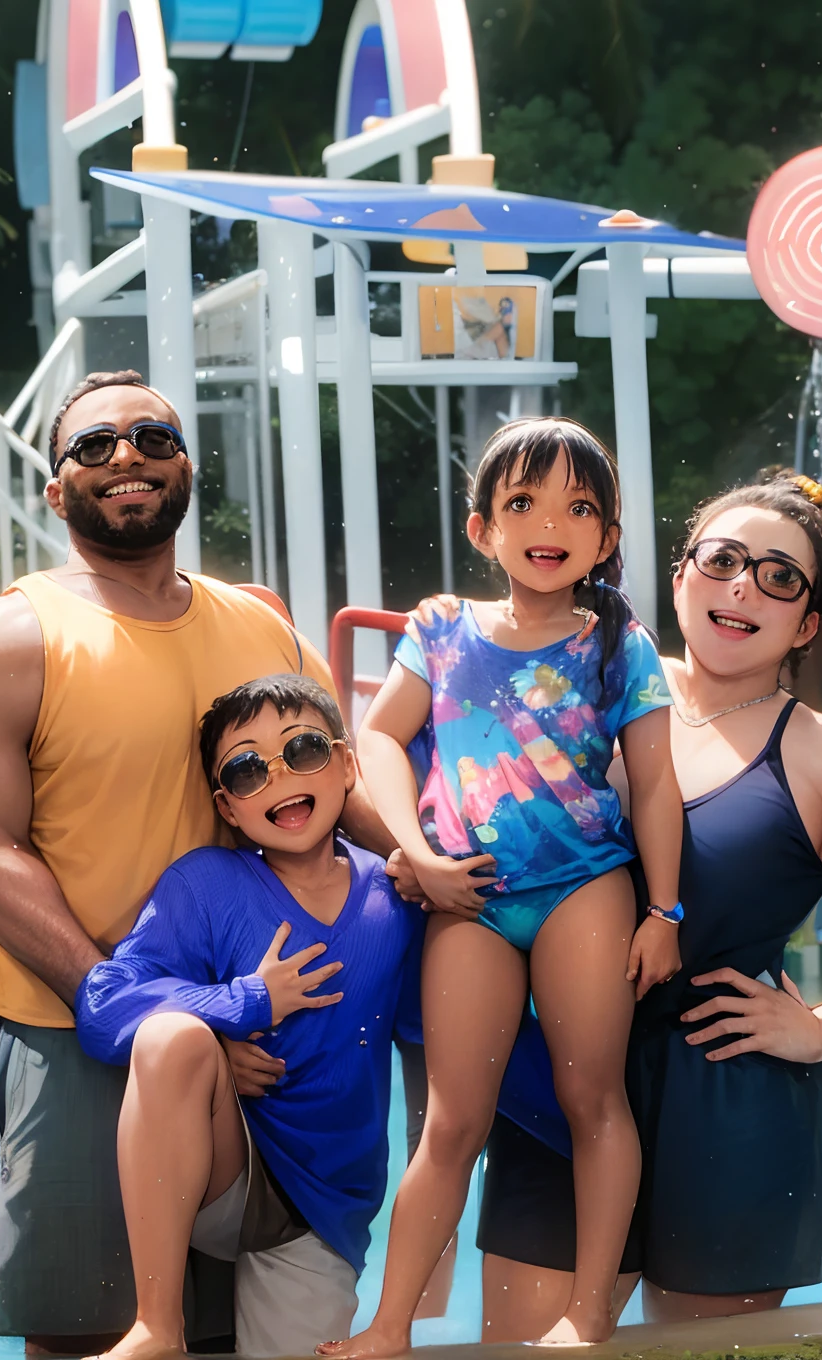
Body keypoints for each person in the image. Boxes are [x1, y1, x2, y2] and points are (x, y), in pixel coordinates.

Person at [474, 469, 822, 1339]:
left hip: (727, 1098)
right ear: (679, 576)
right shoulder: (586, 698)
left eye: (779, 576)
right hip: (565, 1082)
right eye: (722, 560)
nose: (743, 586)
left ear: (809, 621)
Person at [0, 370, 388, 1352]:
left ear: (186, 464)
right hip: (74, 1024)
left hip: (278, 1027)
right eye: (92, 446)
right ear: (56, 490)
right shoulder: (9, 639)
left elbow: (332, 775)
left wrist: (424, 865)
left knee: (241, 1332)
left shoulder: (260, 627)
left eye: (150, 436)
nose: (125, 456)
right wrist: (137, 1010)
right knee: (91, 1332)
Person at [325, 417, 686, 1356]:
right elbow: (373, 742)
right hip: (470, 899)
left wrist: (664, 912)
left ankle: (590, 1309)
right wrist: (416, 856)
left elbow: (655, 786)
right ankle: (389, 1325)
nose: (548, 523)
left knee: (592, 1101)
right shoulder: (441, 628)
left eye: (578, 508)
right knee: (451, 1122)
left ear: (606, 540)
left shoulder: (619, 647)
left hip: (584, 891)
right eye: (522, 502)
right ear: (484, 527)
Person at [74, 674, 422, 1360]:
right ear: (227, 806)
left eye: (305, 751)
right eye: (246, 768)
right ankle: (157, 1328)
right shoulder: (207, 884)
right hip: (218, 1172)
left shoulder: (395, 899)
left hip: (318, 1211)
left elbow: (455, 1040)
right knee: (174, 1039)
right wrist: (242, 1004)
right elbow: (103, 1003)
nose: (280, 779)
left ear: (348, 764)